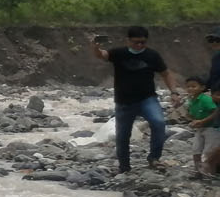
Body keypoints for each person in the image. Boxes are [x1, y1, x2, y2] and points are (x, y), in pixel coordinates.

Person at [90, 26, 174, 173]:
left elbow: (165, 73)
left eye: (143, 42)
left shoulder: (152, 55)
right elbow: (102, 55)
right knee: (122, 135)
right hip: (124, 101)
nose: (140, 45)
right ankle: (124, 166)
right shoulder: (119, 53)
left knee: (159, 123)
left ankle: (154, 158)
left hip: (147, 98)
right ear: (128, 40)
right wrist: (96, 47)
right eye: (136, 42)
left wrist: (174, 92)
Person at [186, 76, 219, 176]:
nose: (190, 88)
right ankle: (198, 170)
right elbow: (191, 114)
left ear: (202, 88)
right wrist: (192, 120)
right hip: (200, 128)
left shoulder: (206, 100)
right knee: (196, 149)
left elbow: (215, 112)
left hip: (211, 128)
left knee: (209, 149)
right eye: (188, 87)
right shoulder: (191, 100)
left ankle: (210, 171)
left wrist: (203, 121)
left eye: (193, 86)